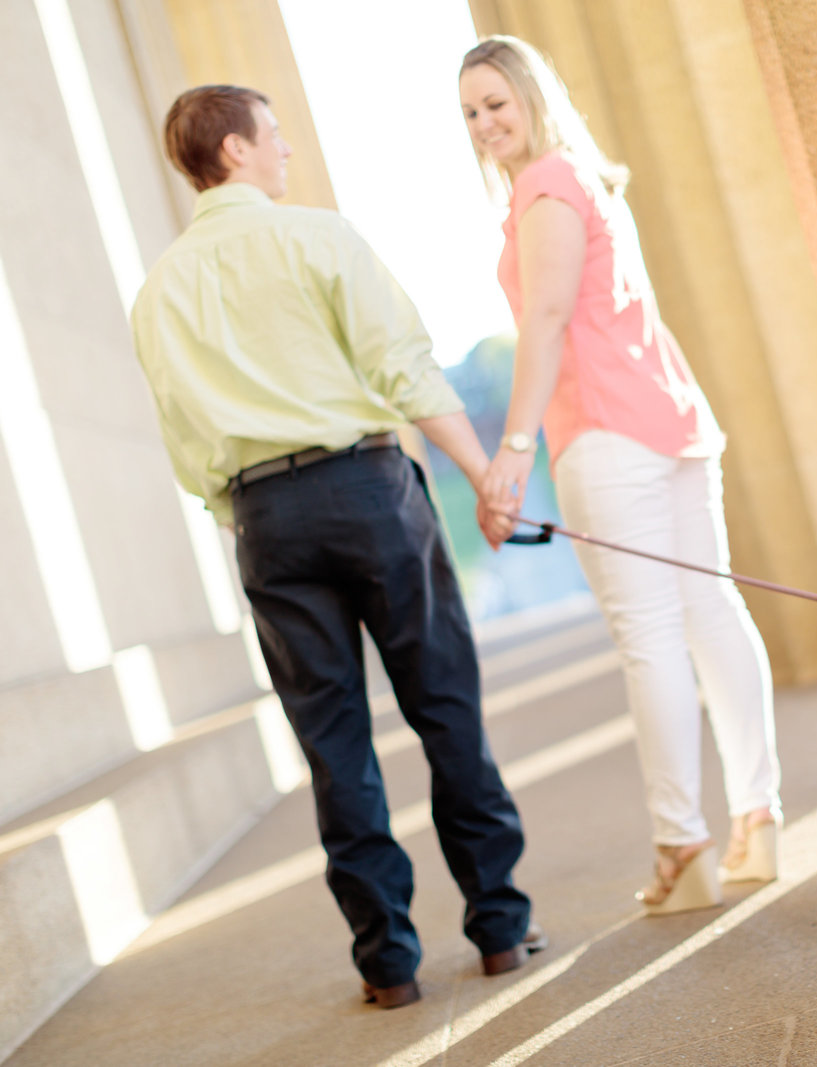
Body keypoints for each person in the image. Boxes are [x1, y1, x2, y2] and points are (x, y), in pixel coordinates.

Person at [130, 85, 544, 1008]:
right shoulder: (319, 237)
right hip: (367, 491)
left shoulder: (160, 292)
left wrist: (247, 510)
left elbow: (186, 442)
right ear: (235, 149)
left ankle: (388, 964)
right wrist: (485, 474)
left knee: (334, 744)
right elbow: (403, 365)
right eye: (273, 135)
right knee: (445, 709)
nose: (285, 150)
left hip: (264, 516)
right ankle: (501, 929)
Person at [459, 37, 783, 915]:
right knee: (710, 610)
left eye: (497, 102)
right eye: (472, 113)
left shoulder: (546, 185)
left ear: (530, 95)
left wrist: (514, 448)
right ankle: (758, 815)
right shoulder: (586, 178)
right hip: (670, 419)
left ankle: (684, 841)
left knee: (655, 635)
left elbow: (551, 317)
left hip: (607, 432)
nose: (486, 124)